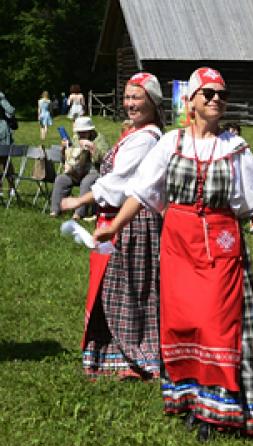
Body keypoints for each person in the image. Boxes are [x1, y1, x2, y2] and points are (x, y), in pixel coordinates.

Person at [93, 67, 253, 441]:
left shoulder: (233, 149)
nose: (215, 99)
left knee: (217, 326)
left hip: (219, 246)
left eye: (221, 93)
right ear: (190, 101)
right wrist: (116, 226)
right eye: (207, 93)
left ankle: (218, 410)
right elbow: (141, 191)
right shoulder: (171, 143)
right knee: (183, 324)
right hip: (178, 246)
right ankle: (191, 401)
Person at [60, 72, 166, 380]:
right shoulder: (134, 133)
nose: (131, 103)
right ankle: (116, 358)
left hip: (135, 221)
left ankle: (140, 359)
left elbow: (119, 184)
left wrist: (78, 202)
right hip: (121, 218)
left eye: (138, 97)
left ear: (153, 101)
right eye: (129, 97)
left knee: (131, 290)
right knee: (117, 289)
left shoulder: (146, 139)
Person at [50, 116, 108, 219]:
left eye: (83, 132)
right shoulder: (75, 138)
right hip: (76, 170)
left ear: (90, 130)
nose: (81, 134)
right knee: (61, 179)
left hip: (93, 170)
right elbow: (68, 158)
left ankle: (79, 213)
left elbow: (105, 159)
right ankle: (55, 210)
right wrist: (64, 148)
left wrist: (93, 148)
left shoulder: (99, 139)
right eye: (79, 132)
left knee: (86, 182)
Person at [0, 91, 16, 197]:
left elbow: (10, 110)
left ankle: (11, 188)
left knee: (5, 160)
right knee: (4, 161)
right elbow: (11, 110)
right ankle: (5, 188)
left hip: (1, 131)